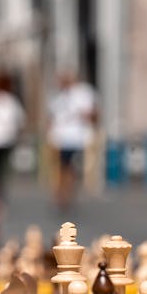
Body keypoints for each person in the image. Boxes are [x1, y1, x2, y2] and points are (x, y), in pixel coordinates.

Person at [47, 72, 97, 209]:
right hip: (61, 139)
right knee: (62, 168)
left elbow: (93, 114)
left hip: (77, 139)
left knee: (72, 168)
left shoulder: (82, 94)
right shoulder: (57, 98)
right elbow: (51, 118)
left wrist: (83, 115)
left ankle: (67, 192)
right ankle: (61, 193)